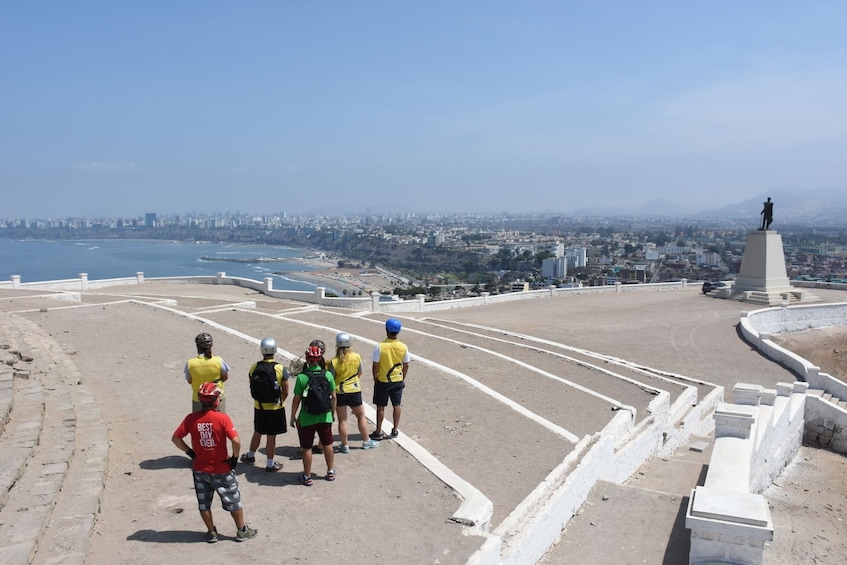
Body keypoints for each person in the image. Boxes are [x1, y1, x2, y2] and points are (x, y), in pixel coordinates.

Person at [171, 381, 257, 543]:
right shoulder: (222, 418)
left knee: (204, 503)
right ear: (216, 400)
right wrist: (234, 458)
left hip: (200, 469)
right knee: (234, 501)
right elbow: (236, 441)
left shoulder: (191, 419)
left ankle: (211, 532)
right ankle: (242, 530)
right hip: (221, 469)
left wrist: (191, 453)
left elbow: (176, 438)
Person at [290, 345, 337, 486]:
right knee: (328, 444)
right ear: (320, 358)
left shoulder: (302, 377)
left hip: (307, 417)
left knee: (307, 447)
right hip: (325, 416)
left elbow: (296, 399)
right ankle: (330, 471)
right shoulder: (328, 375)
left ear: (307, 358)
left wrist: (293, 416)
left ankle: (307, 476)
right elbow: (334, 397)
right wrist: (332, 414)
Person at [240, 337, 288, 473]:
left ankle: (250, 456)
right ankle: (270, 464)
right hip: (275, 408)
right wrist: (281, 401)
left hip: (259, 406)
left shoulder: (254, 367)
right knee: (271, 436)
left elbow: (252, 386)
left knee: (258, 432)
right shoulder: (280, 368)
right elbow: (286, 390)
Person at [329, 332, 380, 453]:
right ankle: (366, 441)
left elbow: (331, 377)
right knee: (361, 416)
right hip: (354, 390)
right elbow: (360, 372)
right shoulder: (356, 356)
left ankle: (345, 445)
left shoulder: (334, 361)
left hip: (339, 391)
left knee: (342, 420)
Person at [370, 318, 410, 441]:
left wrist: (375, 377)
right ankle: (395, 429)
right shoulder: (403, 346)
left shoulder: (380, 346)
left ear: (386, 330)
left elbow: (375, 364)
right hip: (397, 380)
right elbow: (406, 364)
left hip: (383, 380)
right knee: (396, 405)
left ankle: (378, 430)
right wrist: (402, 377)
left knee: (381, 406)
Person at [185, 332, 230, 413]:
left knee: (197, 423)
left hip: (198, 399)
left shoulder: (190, 363)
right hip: (216, 398)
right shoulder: (218, 361)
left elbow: (190, 381)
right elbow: (225, 378)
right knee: (219, 422)